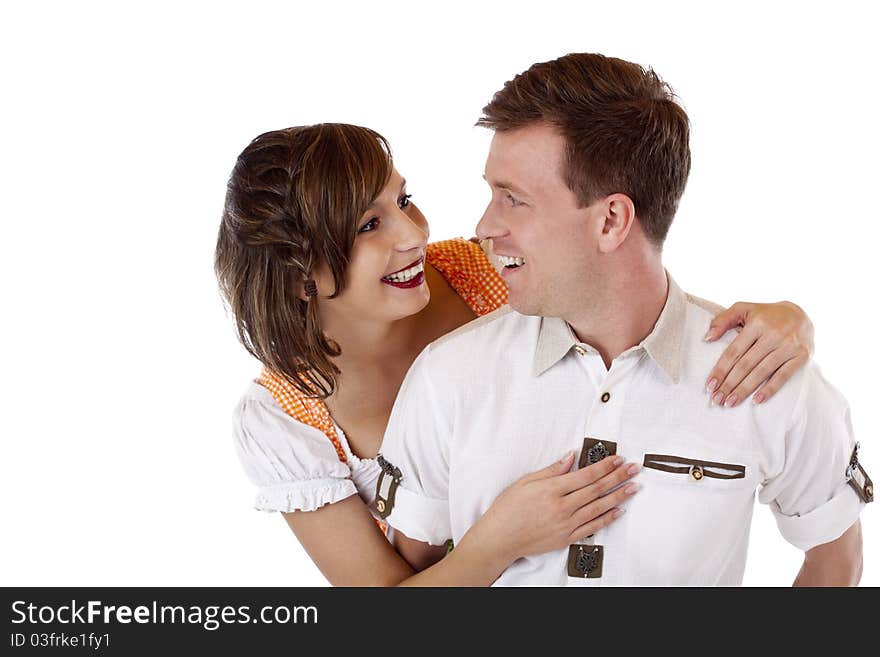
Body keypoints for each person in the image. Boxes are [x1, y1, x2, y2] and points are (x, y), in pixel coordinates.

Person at [216, 123, 816, 586]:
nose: (412, 235)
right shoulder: (281, 424)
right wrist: (500, 540)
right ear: (300, 279)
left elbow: (630, 295)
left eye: (403, 202)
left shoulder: (482, 270)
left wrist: (785, 322)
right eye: (368, 226)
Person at [378, 53, 871, 586]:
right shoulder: (446, 377)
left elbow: (834, 561)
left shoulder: (764, 375)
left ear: (611, 220)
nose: (485, 226)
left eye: (513, 200)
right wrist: (495, 544)